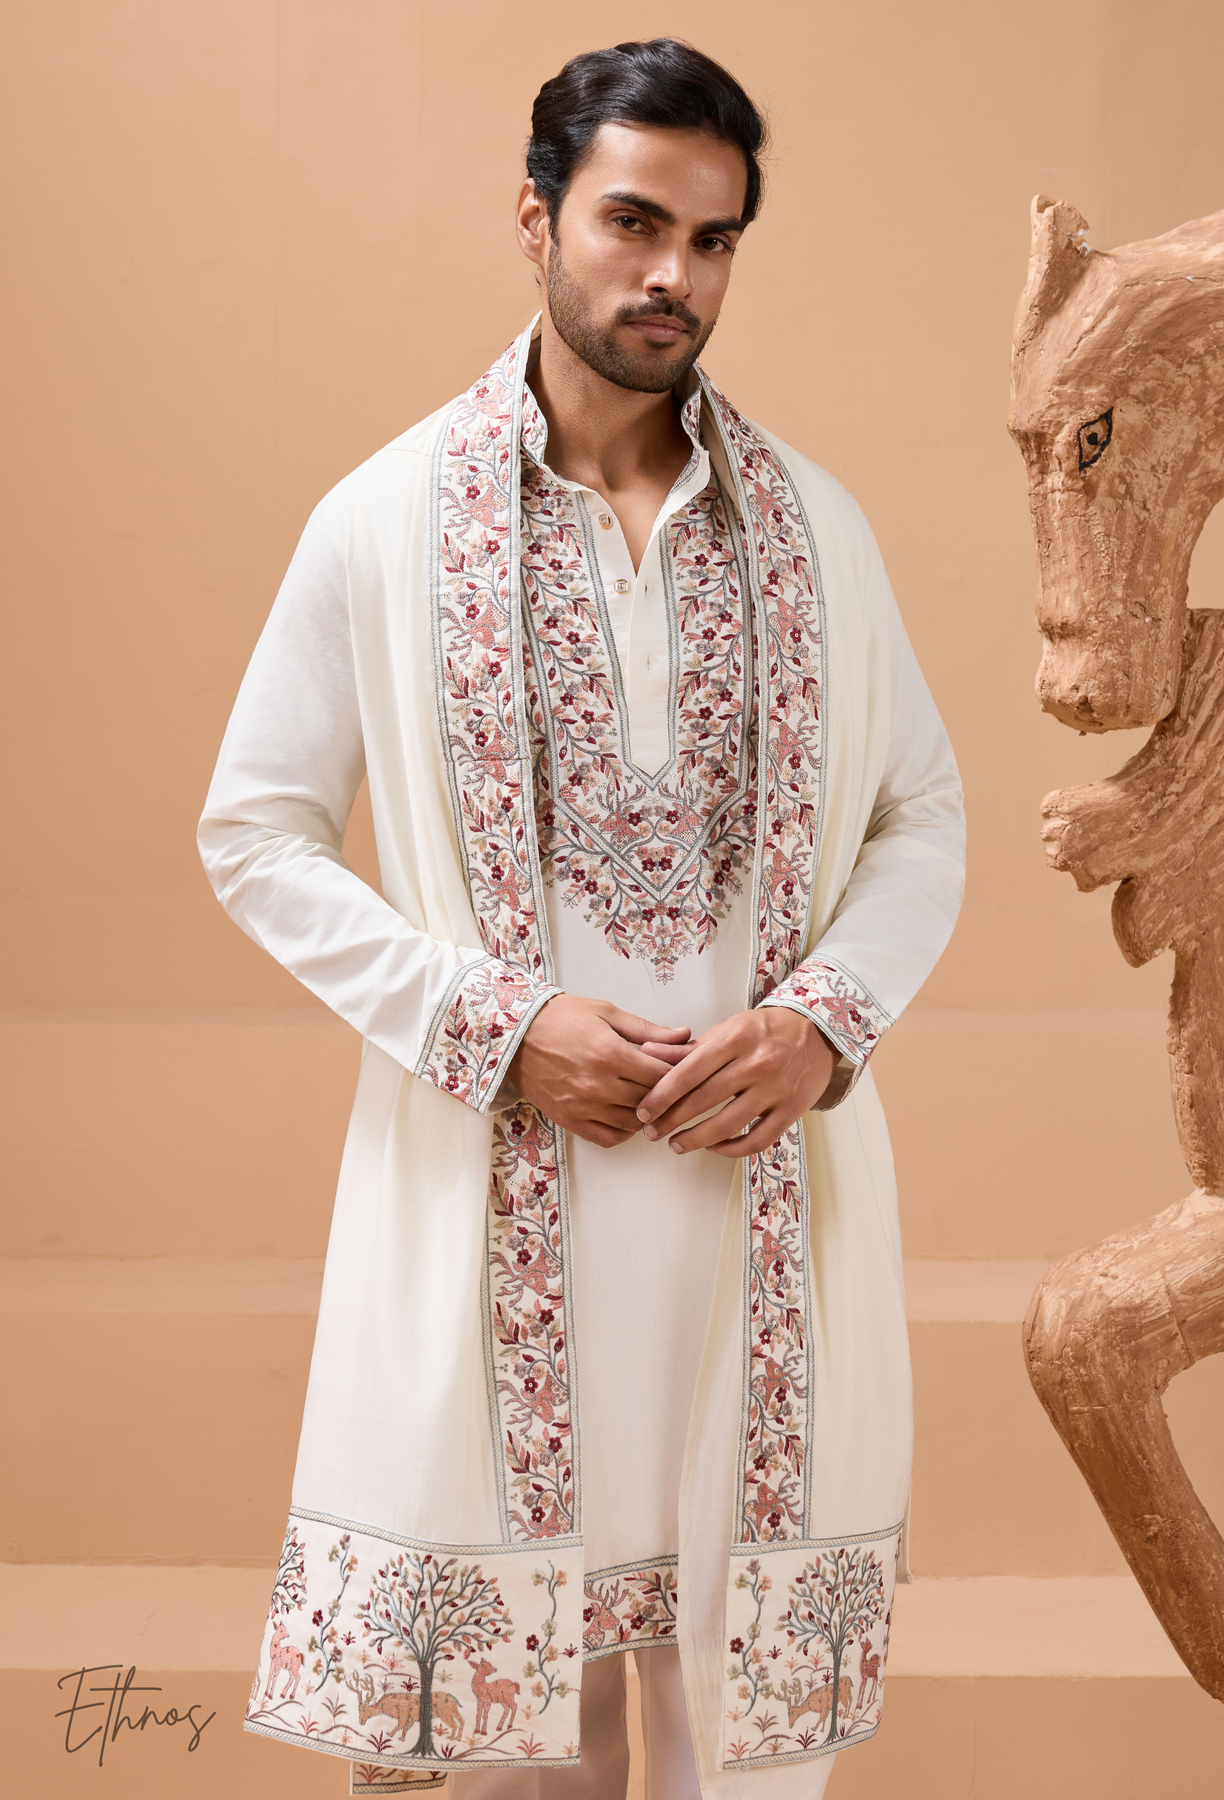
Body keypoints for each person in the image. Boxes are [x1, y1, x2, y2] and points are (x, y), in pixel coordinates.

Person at [198, 37, 964, 1800]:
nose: (671, 274)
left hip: (749, 1225)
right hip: (493, 1214)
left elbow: (920, 816)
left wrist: (823, 1020)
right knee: (490, 1754)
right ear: (536, 218)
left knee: (719, 1744)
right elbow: (253, 831)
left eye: (712, 238)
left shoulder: (815, 530)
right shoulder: (386, 521)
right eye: (632, 223)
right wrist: (494, 1025)